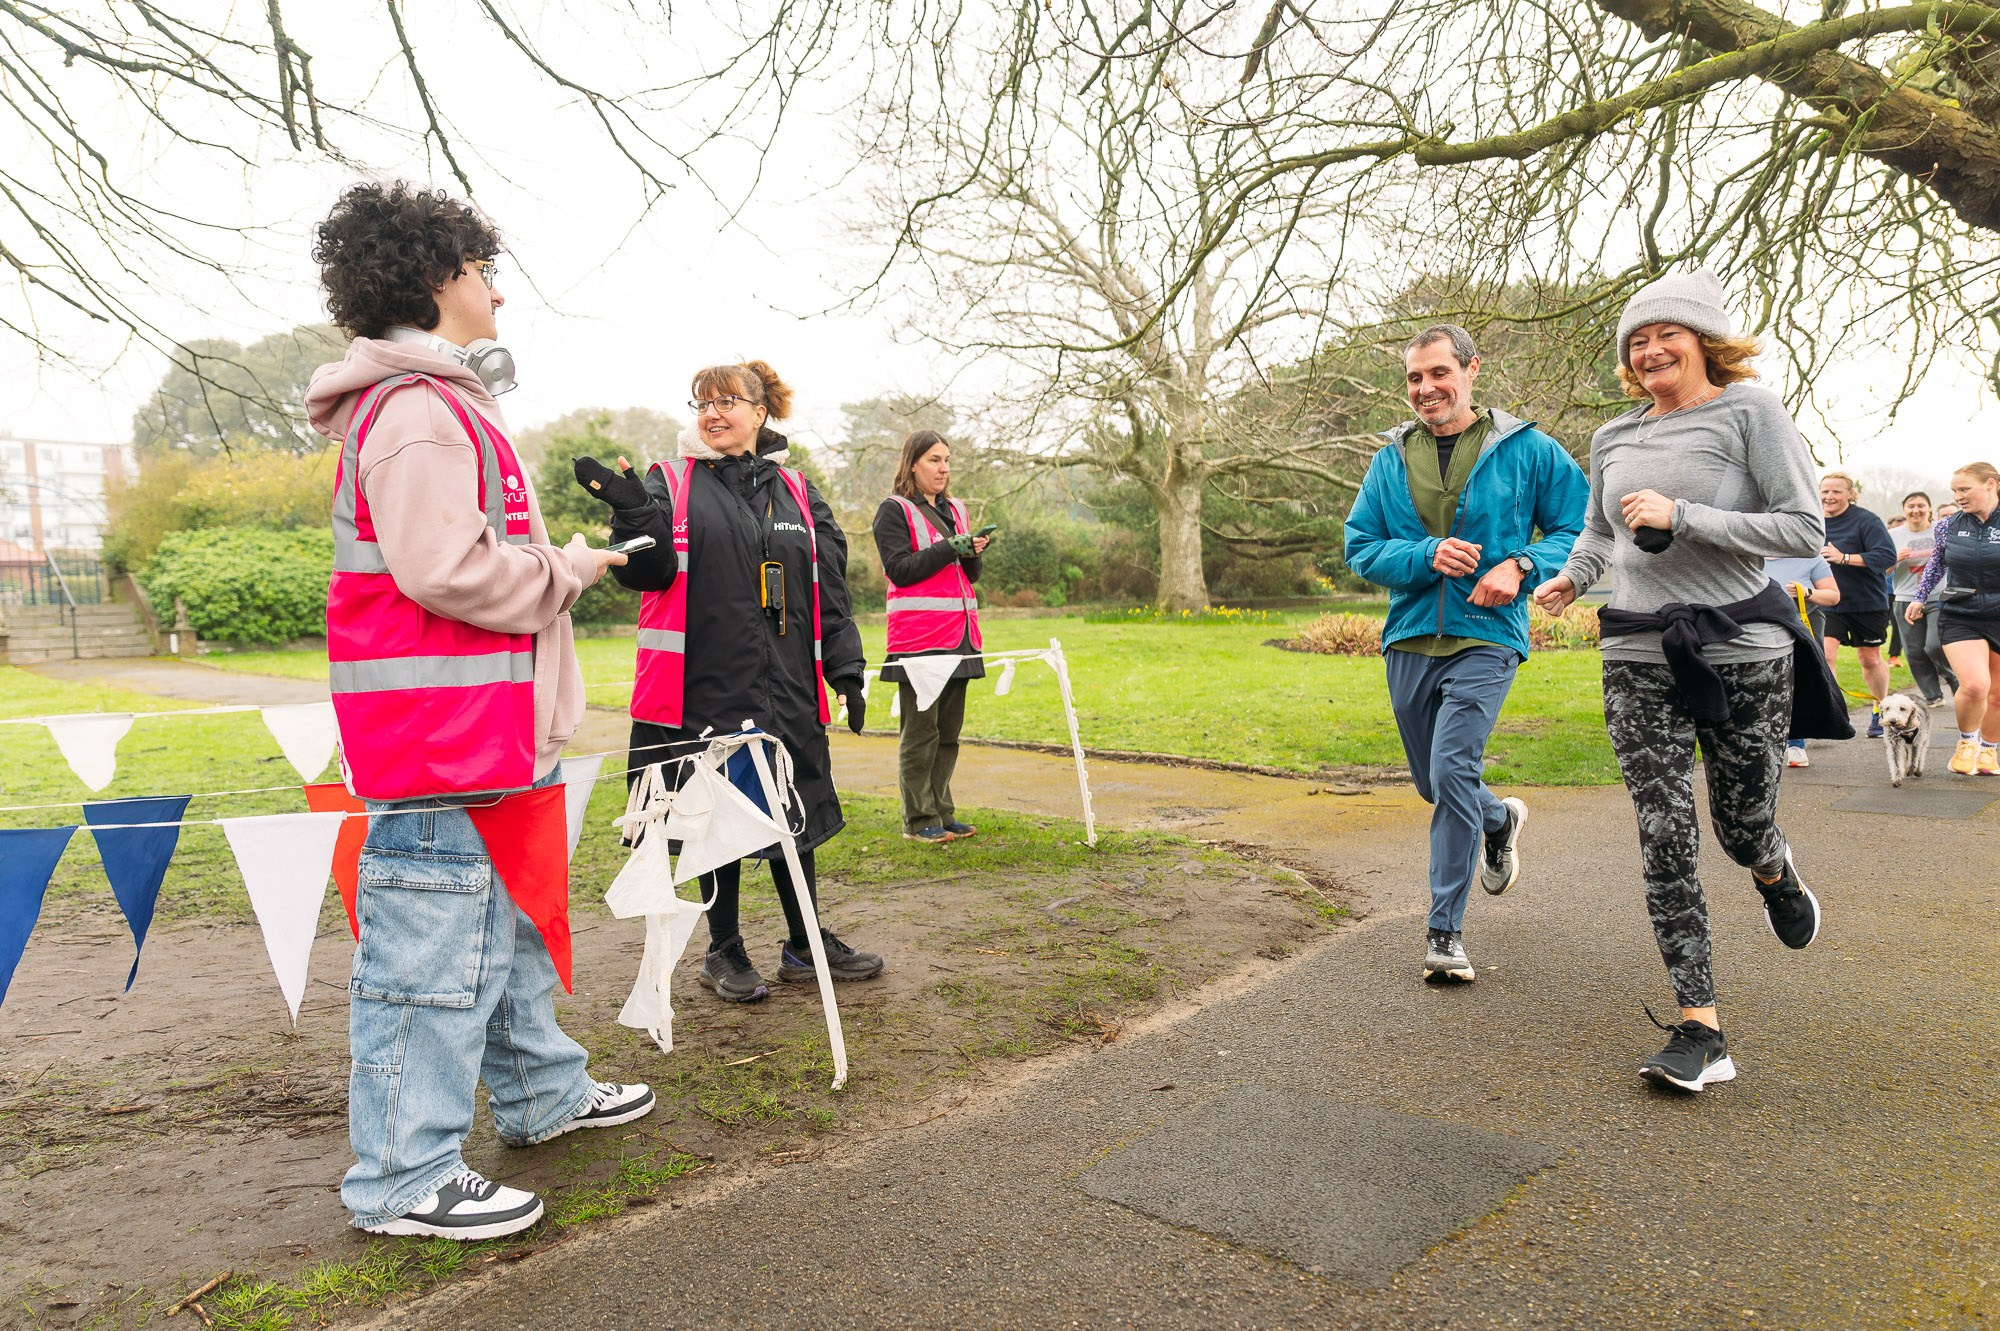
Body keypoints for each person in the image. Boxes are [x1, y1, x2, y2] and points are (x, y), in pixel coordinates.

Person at [308, 182, 653, 1241]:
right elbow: (440, 567)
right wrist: (565, 570)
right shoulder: (417, 411)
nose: (498, 290)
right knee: (429, 952)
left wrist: (561, 564)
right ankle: (405, 1176)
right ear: (434, 279)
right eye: (482, 269)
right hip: (440, 738)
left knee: (501, 931)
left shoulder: (439, 400)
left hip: (480, 731)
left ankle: (541, 1093)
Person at [1533, 267, 1840, 1095]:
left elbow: (1803, 526)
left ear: (1705, 341)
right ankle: (1700, 1024)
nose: (1649, 349)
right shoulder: (1612, 438)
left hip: (1741, 649)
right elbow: (1602, 534)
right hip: (1636, 650)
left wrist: (1685, 514)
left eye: (1666, 333)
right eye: (1636, 340)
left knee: (1740, 824)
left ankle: (1773, 865)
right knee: (1663, 830)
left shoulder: (1751, 411)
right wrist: (1571, 577)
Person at [574, 360, 884, 1002]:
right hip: (702, 687)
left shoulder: (799, 491)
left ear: (761, 409)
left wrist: (846, 669)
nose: (712, 413)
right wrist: (633, 516)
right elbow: (647, 573)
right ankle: (725, 948)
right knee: (713, 816)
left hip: (788, 685)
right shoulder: (670, 483)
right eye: (701, 403)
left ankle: (804, 942)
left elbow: (830, 588)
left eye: (727, 401)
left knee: (790, 807)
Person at [1343, 324, 1588, 985]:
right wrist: (1423, 555)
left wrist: (1522, 564)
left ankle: (1444, 933)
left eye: (1438, 373)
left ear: (1472, 370)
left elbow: (1578, 523)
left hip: (1488, 634)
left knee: (1452, 768)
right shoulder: (1390, 457)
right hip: (1410, 635)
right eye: (1414, 378)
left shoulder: (1528, 448)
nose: (1426, 389)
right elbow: (1360, 546)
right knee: (1435, 782)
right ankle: (1498, 815)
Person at [873, 430, 991, 843]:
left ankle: (942, 810)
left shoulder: (957, 508)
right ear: (912, 465)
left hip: (960, 637)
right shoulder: (894, 510)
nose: (944, 468)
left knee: (948, 734)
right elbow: (899, 570)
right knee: (921, 734)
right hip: (919, 641)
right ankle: (918, 819)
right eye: (934, 460)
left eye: (947, 460)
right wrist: (950, 547)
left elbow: (968, 575)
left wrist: (972, 552)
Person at [1907, 463, 2000, 775]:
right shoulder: (1948, 525)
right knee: (1975, 685)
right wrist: (1920, 597)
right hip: (1961, 611)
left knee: (1997, 692)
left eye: (1964, 489)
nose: (1958, 497)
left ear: (1990, 485)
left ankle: (1988, 751)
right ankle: (1967, 743)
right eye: (1955, 491)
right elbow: (1936, 564)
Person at [1817, 471, 1897, 738]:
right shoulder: (1814, 520)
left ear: (1850, 494)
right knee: (1825, 655)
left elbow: (1887, 556)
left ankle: (1880, 710)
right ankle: (1833, 711)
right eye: (1825, 491)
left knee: (1869, 659)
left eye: (1836, 491)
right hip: (1828, 601)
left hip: (1867, 602)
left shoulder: (1866, 520)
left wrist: (1845, 558)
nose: (1829, 497)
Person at [1764, 551, 1839, 767]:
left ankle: (1795, 744)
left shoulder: (1810, 557)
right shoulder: (1747, 555)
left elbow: (1833, 596)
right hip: (1762, 623)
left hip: (1803, 622)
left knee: (1796, 679)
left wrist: (1807, 592)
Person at [1892, 491, 1954, 707]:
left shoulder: (1941, 529)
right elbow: (1880, 569)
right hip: (1905, 597)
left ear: (1929, 508)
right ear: (1904, 509)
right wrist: (1895, 559)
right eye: (1911, 506)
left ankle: (1954, 677)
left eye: (1921, 505)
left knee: (1934, 645)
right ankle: (1933, 695)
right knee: (1914, 651)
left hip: (1939, 596)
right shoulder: (1893, 535)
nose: (1916, 510)